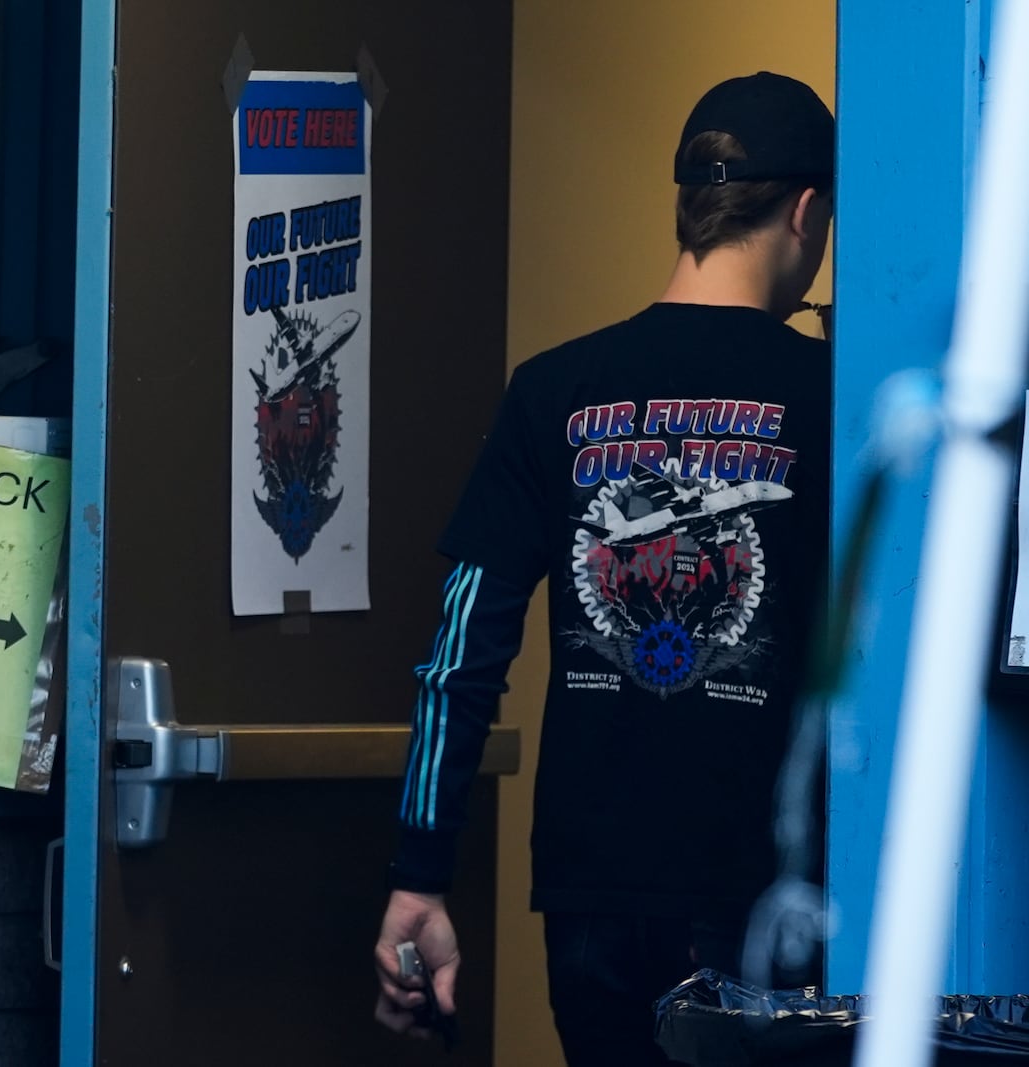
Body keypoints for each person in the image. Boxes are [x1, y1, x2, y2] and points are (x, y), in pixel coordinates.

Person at [374, 71, 834, 1066]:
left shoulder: (551, 390)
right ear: (806, 211)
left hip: (590, 896)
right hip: (762, 897)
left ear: (689, 208)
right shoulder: (829, 393)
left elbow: (460, 652)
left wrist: (421, 873)